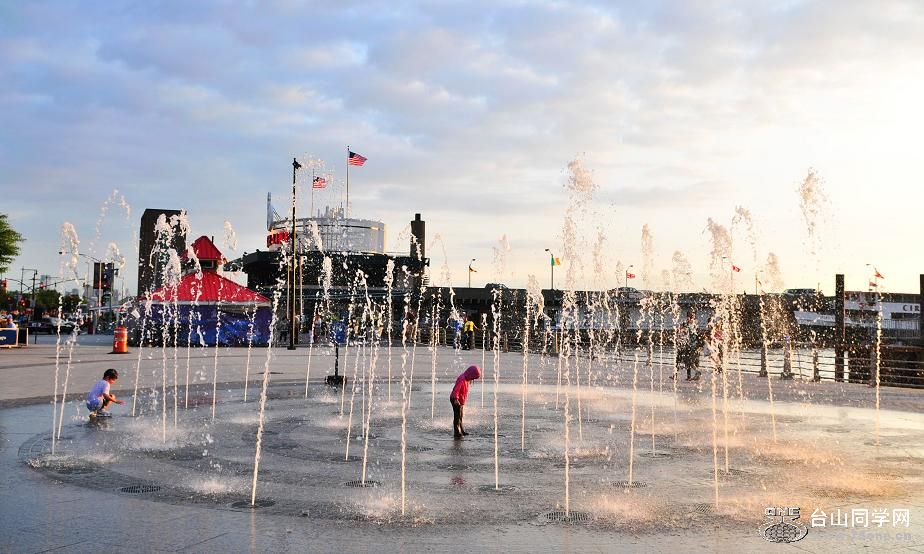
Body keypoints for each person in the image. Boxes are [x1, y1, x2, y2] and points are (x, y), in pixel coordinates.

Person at [449, 365, 481, 438]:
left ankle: (462, 430)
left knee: (460, 416)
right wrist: (456, 399)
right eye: (473, 377)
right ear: (470, 374)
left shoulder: (467, 379)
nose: (472, 379)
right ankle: (457, 432)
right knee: (457, 416)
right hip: (455, 400)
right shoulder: (462, 379)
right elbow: (456, 389)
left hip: (460, 400)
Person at [673, 311, 702, 381]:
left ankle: (695, 373)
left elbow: (684, 333)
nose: (691, 319)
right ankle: (688, 376)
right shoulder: (691, 324)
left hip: (689, 346)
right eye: (691, 317)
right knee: (689, 360)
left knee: (686, 360)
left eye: (692, 317)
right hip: (691, 345)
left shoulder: (690, 325)